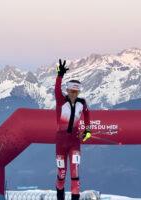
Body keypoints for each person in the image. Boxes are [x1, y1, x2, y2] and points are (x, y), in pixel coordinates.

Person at [54, 59, 91, 200]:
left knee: (75, 174)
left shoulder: (82, 103)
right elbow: (56, 90)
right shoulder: (61, 101)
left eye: (76, 91)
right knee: (61, 175)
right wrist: (60, 76)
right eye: (71, 91)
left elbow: (87, 114)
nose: (73, 94)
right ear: (67, 91)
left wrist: (87, 130)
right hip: (61, 143)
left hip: (75, 141)